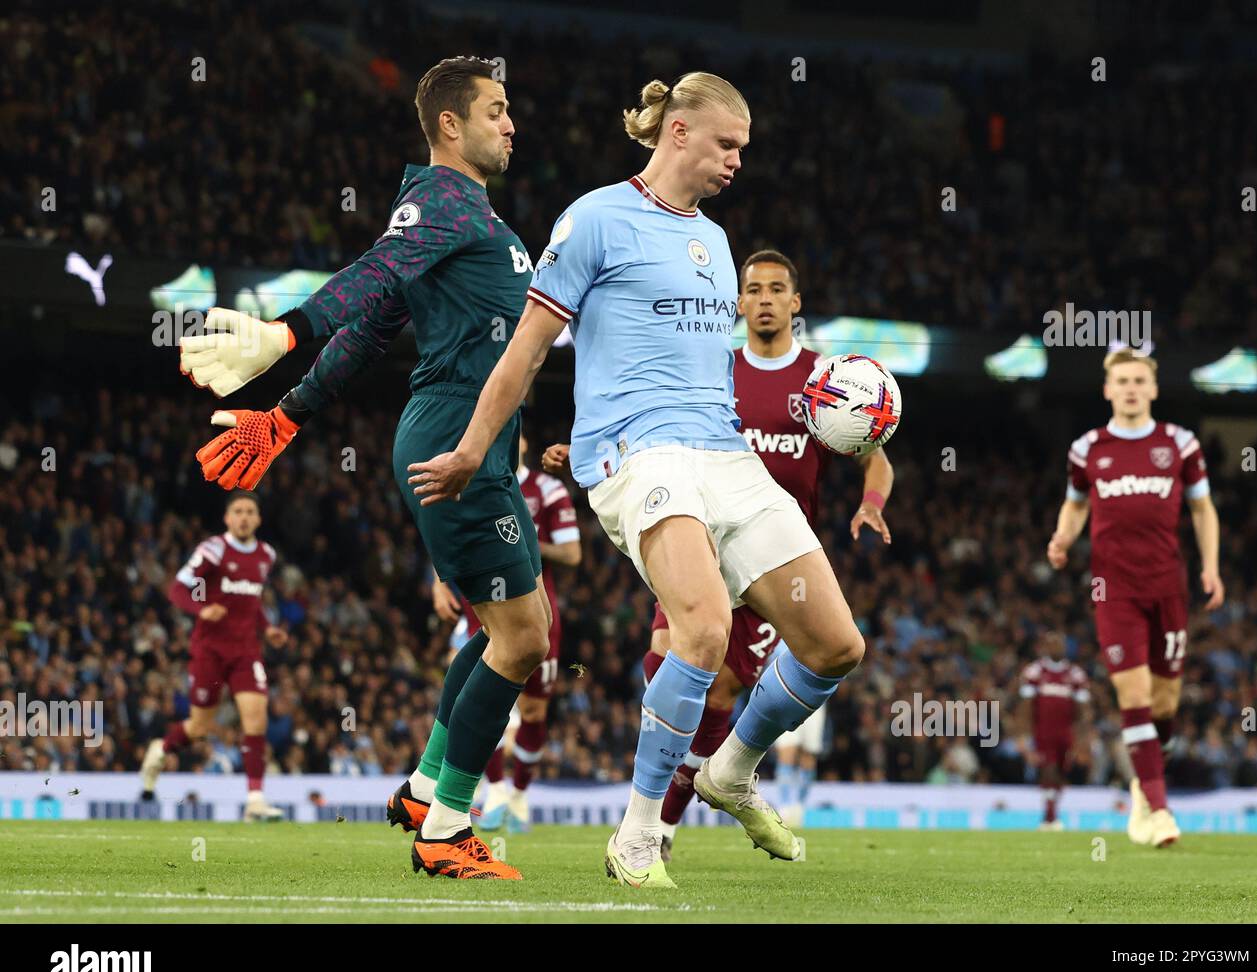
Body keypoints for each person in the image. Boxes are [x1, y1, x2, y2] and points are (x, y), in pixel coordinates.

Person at [409, 73, 867, 888]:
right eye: (727, 144)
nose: (736, 161)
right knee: (702, 627)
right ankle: (637, 834)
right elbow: (524, 352)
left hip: (722, 453)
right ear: (680, 132)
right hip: (634, 453)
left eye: (743, 150)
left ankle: (729, 771)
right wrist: (476, 448)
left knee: (836, 644)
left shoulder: (718, 242)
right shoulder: (593, 219)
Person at [182, 56, 550, 880]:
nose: (511, 123)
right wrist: (283, 334)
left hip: (466, 432)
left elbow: (375, 325)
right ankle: (446, 831)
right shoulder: (443, 199)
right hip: (457, 432)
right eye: (496, 109)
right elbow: (374, 275)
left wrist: (288, 413)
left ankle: (426, 791)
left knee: (506, 632)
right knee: (526, 638)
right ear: (450, 124)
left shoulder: (462, 215)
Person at [544, 248, 894, 856]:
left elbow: (875, 455)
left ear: (795, 302)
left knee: (727, 691)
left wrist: (872, 502)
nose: (763, 299)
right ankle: (648, 824)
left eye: (776, 288)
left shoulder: (823, 382)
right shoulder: (717, 370)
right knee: (672, 654)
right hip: (697, 531)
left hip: (772, 557)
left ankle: (677, 814)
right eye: (752, 288)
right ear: (737, 302)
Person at [1047, 349, 1224, 847]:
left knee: (1165, 704)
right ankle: (1160, 809)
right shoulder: (1088, 449)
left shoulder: (1180, 444)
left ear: (1153, 388)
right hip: (1114, 590)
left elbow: (1204, 510)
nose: (1129, 388)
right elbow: (1075, 505)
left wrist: (1211, 565)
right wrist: (1062, 539)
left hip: (1169, 587)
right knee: (1135, 696)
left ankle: (1144, 789)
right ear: (1107, 389)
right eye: (1121, 380)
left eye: (1138, 380)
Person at [440, 430, 581, 833]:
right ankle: (495, 788)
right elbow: (446, 534)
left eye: (513, 432)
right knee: (480, 699)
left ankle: (518, 794)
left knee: (534, 711)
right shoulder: (469, 478)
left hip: (537, 611)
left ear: (522, 440)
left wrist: (524, 546)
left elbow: (572, 553)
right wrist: (438, 582)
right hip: (480, 609)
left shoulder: (548, 488)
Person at [143, 491, 288, 820]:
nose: (244, 517)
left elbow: (252, 601)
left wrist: (268, 629)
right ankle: (161, 749)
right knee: (200, 726)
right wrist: (201, 609)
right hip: (209, 650)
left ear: (259, 519)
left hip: (246, 651)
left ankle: (255, 801)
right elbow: (178, 588)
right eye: (237, 511)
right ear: (227, 518)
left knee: (256, 719)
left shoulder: (266, 555)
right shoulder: (213, 549)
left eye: (250, 511)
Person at [1018, 631, 1090, 830]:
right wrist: (1023, 736)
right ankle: (1049, 817)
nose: (1057, 647)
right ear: (1045, 647)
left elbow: (1083, 711)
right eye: (1052, 643)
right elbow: (1025, 707)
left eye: (1060, 643)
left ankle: (1052, 811)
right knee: (1048, 769)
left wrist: (1083, 739)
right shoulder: (1034, 672)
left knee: (1060, 773)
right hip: (1043, 732)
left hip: (1066, 732)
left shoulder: (1075, 674)